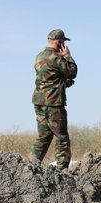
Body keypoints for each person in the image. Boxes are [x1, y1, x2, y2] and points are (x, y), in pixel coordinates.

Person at [29, 29, 78, 169]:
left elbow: (48, 77)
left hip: (39, 102)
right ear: (59, 42)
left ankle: (30, 167)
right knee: (62, 137)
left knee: (43, 136)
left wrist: (63, 83)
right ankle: (62, 172)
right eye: (63, 42)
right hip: (54, 103)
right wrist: (68, 56)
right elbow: (72, 72)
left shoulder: (39, 57)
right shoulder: (56, 57)